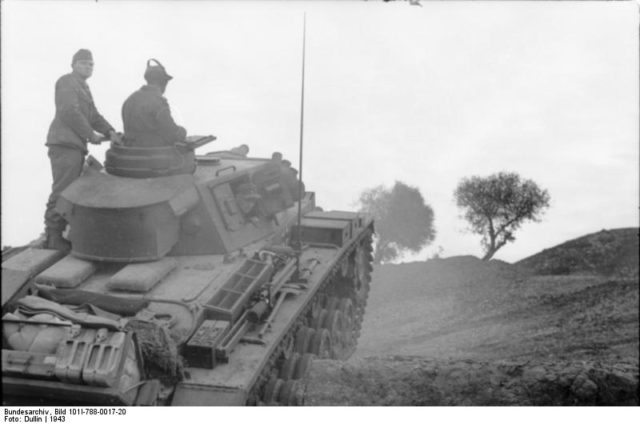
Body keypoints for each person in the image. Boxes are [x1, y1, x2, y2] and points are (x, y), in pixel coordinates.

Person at [44, 49, 121, 251]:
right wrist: (90, 134)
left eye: (91, 64)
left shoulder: (83, 87)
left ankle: (60, 233)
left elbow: (94, 115)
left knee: (70, 189)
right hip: (64, 144)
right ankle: (53, 237)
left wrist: (110, 131)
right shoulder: (66, 82)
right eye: (84, 63)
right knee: (63, 189)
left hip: (74, 145)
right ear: (74, 65)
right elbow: (69, 111)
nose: (89, 67)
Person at [121, 59, 186, 148]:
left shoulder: (130, 99)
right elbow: (171, 132)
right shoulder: (159, 102)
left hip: (129, 153)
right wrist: (182, 132)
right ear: (164, 82)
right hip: (152, 155)